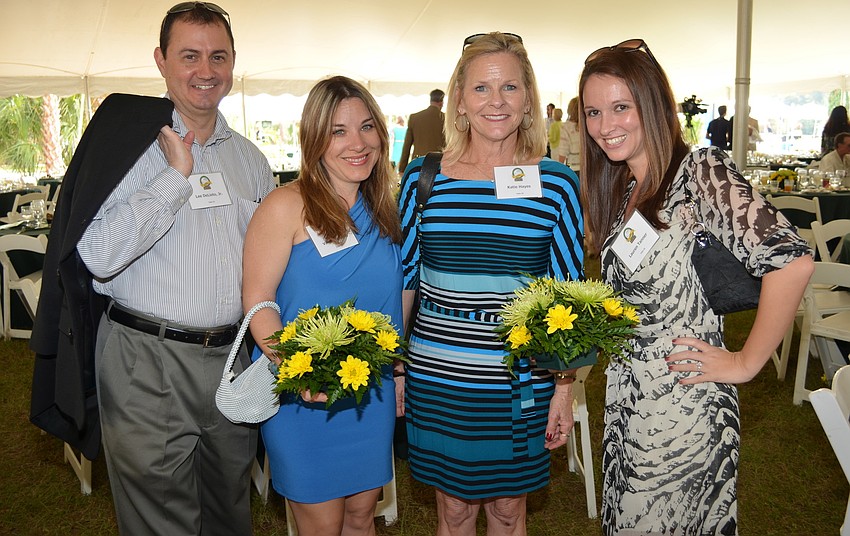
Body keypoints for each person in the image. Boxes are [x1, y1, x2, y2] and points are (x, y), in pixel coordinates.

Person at [31, 3, 275, 534]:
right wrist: (175, 178)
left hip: (232, 357)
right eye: (189, 56)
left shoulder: (252, 161)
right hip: (147, 360)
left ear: (233, 63)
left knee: (230, 510)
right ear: (161, 61)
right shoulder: (127, 147)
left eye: (217, 56)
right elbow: (96, 255)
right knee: (159, 521)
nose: (205, 70)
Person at [579, 39, 814, 535]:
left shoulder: (701, 171)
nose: (605, 125)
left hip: (683, 408)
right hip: (629, 402)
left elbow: (790, 261)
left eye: (621, 107)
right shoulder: (625, 187)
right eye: (594, 111)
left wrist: (745, 362)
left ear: (655, 106)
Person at [398, 32, 583, 535]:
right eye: (481, 89)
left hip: (518, 377)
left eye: (510, 88)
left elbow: (566, 295)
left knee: (508, 511)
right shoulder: (424, 178)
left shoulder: (557, 184)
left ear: (528, 100)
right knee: (452, 511)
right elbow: (406, 279)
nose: (495, 102)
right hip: (440, 373)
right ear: (458, 100)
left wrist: (563, 389)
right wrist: (396, 367)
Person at [242, 76, 403, 535]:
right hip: (303, 400)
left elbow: (391, 303)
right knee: (322, 524)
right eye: (339, 131)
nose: (358, 143)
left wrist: (398, 374)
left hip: (367, 394)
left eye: (367, 127)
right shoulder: (285, 206)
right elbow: (257, 300)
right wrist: (296, 367)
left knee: (360, 518)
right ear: (314, 138)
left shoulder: (381, 210)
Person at [398, 88, 446, 174]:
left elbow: (407, 145)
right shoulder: (446, 119)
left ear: (430, 100)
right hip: (440, 164)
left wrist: (402, 168)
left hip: (418, 163)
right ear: (441, 102)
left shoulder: (414, 117)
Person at [559, 96, 581, 173]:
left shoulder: (565, 127)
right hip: (588, 167)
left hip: (573, 168)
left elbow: (563, 151)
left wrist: (559, 169)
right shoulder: (588, 126)